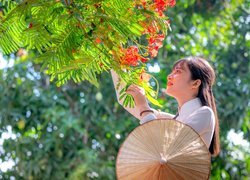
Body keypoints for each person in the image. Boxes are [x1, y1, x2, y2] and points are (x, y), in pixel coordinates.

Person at [111, 56, 220, 157]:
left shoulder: (205, 113)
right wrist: (116, 59)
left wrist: (143, 105)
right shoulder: (175, 119)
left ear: (195, 83)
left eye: (178, 71)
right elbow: (126, 100)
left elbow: (165, 149)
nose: (169, 76)